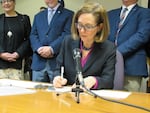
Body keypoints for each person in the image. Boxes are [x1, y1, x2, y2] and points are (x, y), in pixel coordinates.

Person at [53, 2, 116, 90]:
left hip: (93, 98)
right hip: (68, 96)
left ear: (99, 27)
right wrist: (57, 78)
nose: (82, 30)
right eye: (79, 25)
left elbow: (108, 81)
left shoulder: (109, 48)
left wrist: (94, 80)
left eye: (88, 26)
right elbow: (58, 69)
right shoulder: (68, 42)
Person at [108, 0, 150, 92]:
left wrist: (117, 53)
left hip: (132, 65)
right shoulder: (110, 14)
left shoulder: (145, 13)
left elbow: (142, 36)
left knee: (130, 101)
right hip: (110, 66)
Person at [30, 0, 74, 83]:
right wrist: (39, 49)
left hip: (57, 63)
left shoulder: (69, 15)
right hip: (38, 62)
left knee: (56, 93)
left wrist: (52, 48)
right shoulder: (38, 16)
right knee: (36, 94)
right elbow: (33, 35)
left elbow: (67, 34)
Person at [0, 0, 32, 80]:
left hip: (18, 62)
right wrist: (1, 54)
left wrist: (18, 53)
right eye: (3, 1)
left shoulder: (24, 19)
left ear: (14, 2)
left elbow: (29, 39)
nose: (6, 3)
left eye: (9, 1)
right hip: (1, 63)